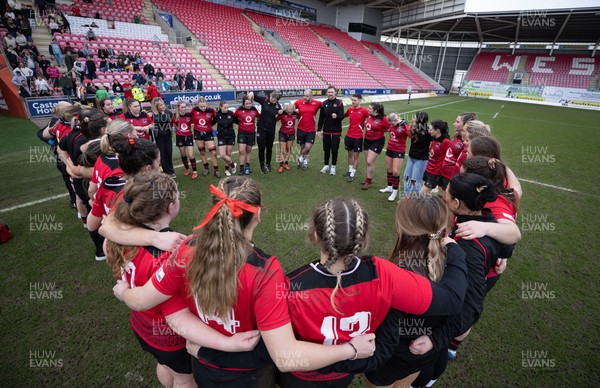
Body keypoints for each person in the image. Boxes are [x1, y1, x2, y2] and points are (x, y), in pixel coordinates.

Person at [105, 177, 377, 387]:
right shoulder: (265, 271)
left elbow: (156, 307)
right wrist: (351, 349)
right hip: (249, 375)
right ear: (257, 215)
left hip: (205, 365)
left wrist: (123, 291)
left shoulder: (184, 251)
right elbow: (283, 356)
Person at [277, 196, 468, 386]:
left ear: (316, 235)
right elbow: (452, 298)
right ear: (364, 237)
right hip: (342, 377)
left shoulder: (288, 285)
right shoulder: (385, 275)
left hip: (302, 377)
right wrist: (456, 252)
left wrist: (337, 356)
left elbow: (281, 353)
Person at [405, 174, 514, 387]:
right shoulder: (486, 220)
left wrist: (435, 339)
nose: (443, 196)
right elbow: (507, 243)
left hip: (442, 320)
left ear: (456, 203)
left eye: (447, 195)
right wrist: (504, 253)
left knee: (426, 363)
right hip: (447, 309)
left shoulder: (469, 246)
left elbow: (472, 304)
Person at [88, 136, 160, 258]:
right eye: (158, 163)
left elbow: (92, 224)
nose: (159, 167)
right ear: (148, 169)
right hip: (136, 253)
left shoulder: (108, 184)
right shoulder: (133, 194)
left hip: (119, 251)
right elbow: (106, 228)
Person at [88, 119, 132, 200]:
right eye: (135, 134)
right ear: (129, 136)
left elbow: (91, 190)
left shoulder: (101, 158)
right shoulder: (121, 166)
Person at [439, 113, 477, 199]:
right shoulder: (457, 136)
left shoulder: (467, 143)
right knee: (441, 199)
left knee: (447, 202)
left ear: (465, 124)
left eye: (457, 122)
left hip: (451, 176)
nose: (454, 123)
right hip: (443, 172)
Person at [248, 90, 282, 174]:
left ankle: (268, 163)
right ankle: (262, 165)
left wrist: (274, 120)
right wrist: (251, 93)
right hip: (261, 129)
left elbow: (280, 116)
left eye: (273, 98)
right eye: (271, 97)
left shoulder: (278, 106)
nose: (271, 99)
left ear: (277, 100)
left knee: (269, 147)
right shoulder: (264, 100)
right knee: (261, 147)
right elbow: (254, 96)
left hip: (271, 130)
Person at [379, 113, 410, 201]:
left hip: (399, 150)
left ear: (396, 120)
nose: (391, 125)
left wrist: (407, 128)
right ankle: (389, 187)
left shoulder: (404, 125)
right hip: (390, 148)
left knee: (395, 172)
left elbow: (411, 136)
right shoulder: (391, 123)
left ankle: (395, 191)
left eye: (392, 124)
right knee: (389, 169)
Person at [361, 102, 389, 190]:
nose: (368, 109)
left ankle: (368, 181)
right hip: (367, 140)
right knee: (369, 162)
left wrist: (379, 131)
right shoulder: (369, 116)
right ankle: (368, 178)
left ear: (375, 110)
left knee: (369, 161)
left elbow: (389, 128)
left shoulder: (384, 119)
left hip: (377, 142)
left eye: (370, 108)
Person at [317, 86, 344, 176]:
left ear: (335, 93)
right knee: (326, 149)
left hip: (336, 131)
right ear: (326, 93)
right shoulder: (324, 104)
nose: (330, 94)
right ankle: (326, 165)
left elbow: (341, 116)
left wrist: (337, 116)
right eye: (329, 92)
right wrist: (319, 130)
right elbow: (321, 118)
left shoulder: (339, 103)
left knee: (334, 149)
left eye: (332, 92)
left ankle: (333, 166)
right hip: (326, 131)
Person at [403, 111, 431, 195]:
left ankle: (413, 200)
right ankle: (405, 196)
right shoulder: (414, 128)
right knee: (406, 177)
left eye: (414, 117)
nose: (412, 118)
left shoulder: (428, 131)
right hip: (411, 157)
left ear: (420, 119)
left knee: (415, 181)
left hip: (421, 160)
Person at [191, 97, 220, 177]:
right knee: (202, 152)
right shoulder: (194, 110)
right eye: (201, 106)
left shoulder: (211, 111)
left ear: (207, 105)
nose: (203, 108)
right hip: (198, 133)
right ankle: (206, 168)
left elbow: (216, 119)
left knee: (213, 152)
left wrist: (210, 125)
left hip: (208, 133)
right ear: (198, 105)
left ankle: (216, 170)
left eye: (204, 106)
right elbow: (192, 119)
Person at [294, 89, 322, 169]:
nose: (305, 97)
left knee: (308, 147)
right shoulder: (298, 102)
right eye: (304, 95)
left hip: (311, 130)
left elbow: (326, 105)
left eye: (307, 96)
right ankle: (305, 161)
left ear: (311, 96)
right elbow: (291, 109)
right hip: (301, 129)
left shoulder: (317, 103)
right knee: (303, 147)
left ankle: (300, 158)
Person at [342, 94, 368, 182]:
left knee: (356, 155)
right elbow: (343, 116)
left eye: (354, 100)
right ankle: (349, 170)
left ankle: (353, 173)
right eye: (352, 100)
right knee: (350, 154)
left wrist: (366, 122)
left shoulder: (364, 111)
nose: (352, 102)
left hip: (358, 137)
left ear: (360, 101)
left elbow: (370, 119)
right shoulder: (350, 109)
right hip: (349, 135)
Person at [421, 120, 451, 194]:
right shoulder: (434, 139)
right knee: (426, 195)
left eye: (431, 129)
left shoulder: (446, 142)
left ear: (437, 130)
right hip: (428, 169)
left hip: (435, 173)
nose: (428, 131)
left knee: (422, 194)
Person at [233, 94, 260, 176]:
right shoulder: (239, 110)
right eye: (247, 104)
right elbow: (234, 118)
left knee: (248, 151)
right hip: (242, 133)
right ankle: (241, 168)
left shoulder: (254, 110)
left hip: (251, 133)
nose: (248, 105)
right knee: (241, 150)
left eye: (250, 103)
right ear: (243, 103)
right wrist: (240, 123)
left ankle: (247, 167)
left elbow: (259, 117)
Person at [151, 98, 175, 178]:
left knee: (169, 153)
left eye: (163, 104)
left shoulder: (169, 112)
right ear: (156, 107)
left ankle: (171, 171)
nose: (163, 106)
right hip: (158, 136)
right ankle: (164, 171)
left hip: (167, 135)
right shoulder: (153, 114)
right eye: (160, 105)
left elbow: (172, 122)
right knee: (161, 154)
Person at [173, 101, 198, 179]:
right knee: (183, 155)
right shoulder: (175, 116)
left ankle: (194, 171)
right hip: (180, 137)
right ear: (178, 108)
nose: (184, 108)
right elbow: (174, 125)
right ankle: (187, 169)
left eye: (185, 107)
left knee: (191, 155)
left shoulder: (189, 115)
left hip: (189, 136)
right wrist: (177, 130)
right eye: (182, 107)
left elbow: (193, 123)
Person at [213, 100, 237, 177]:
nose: (226, 109)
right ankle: (233, 165)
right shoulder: (217, 115)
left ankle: (226, 170)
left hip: (231, 136)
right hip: (221, 136)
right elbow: (211, 123)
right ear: (221, 107)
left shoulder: (231, 114)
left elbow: (238, 121)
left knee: (228, 154)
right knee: (222, 155)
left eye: (227, 107)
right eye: (225, 107)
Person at [276, 103, 297, 173]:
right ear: (286, 109)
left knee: (289, 149)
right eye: (288, 111)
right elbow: (275, 119)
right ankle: (281, 166)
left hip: (291, 134)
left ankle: (286, 164)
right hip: (283, 133)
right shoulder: (282, 114)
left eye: (291, 111)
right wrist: (278, 112)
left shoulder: (295, 114)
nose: (290, 112)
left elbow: (302, 116)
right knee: (282, 149)